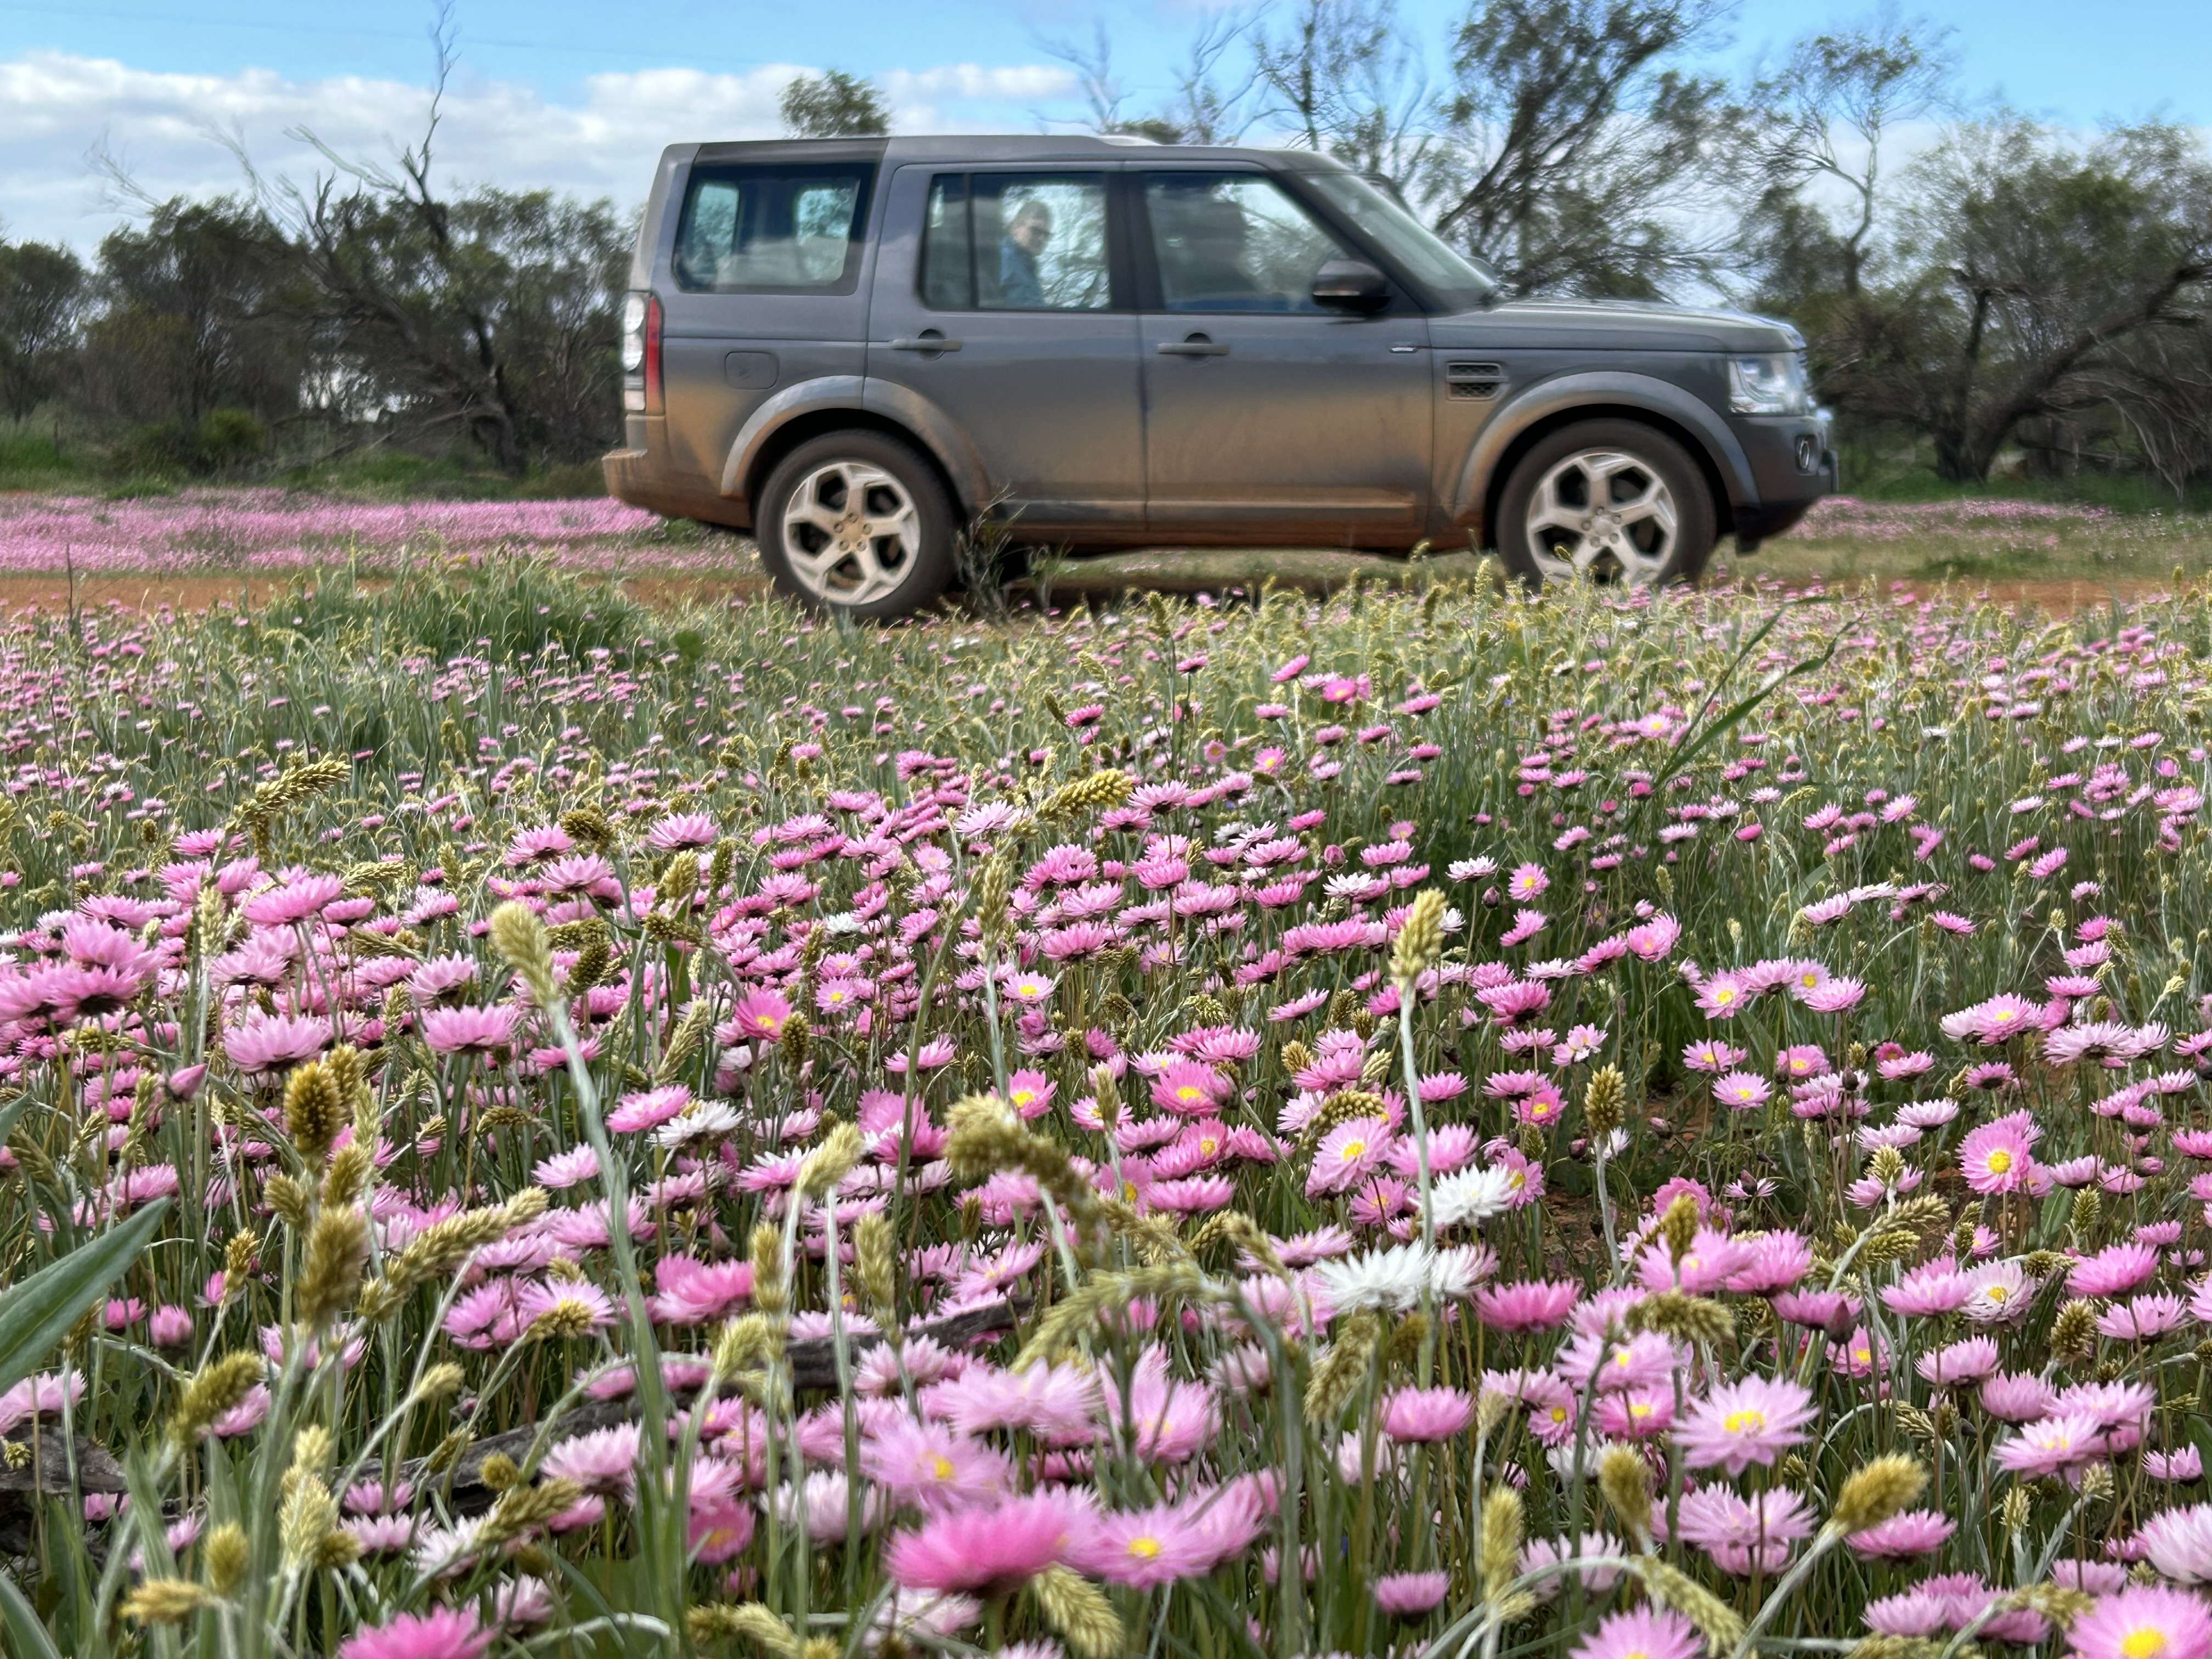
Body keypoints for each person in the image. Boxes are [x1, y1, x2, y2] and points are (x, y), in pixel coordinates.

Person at [998, 199, 1052, 307]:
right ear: (1015, 228)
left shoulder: (1027, 267)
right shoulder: (1003, 258)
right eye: (1036, 230)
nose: (1041, 239)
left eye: (1046, 234)